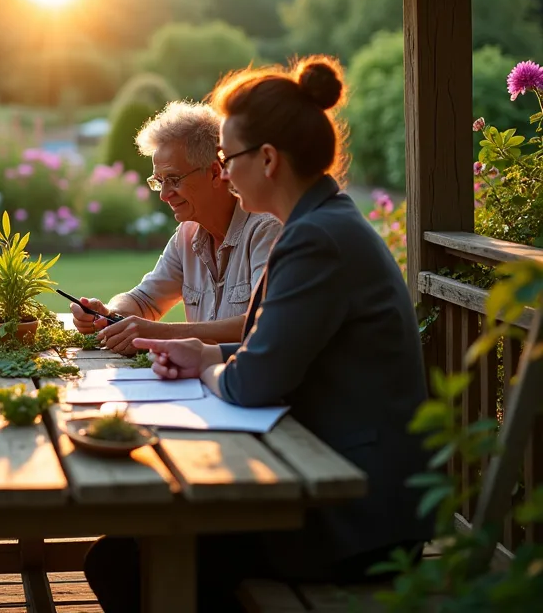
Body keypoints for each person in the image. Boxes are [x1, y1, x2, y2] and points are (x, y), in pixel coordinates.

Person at [82, 58, 434, 612]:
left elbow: (254, 381)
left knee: (123, 561)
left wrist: (207, 363)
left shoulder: (314, 238)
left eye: (227, 158)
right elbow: (274, 351)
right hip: (338, 485)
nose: (223, 171)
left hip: (355, 516)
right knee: (126, 552)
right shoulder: (323, 223)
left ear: (266, 160)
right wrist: (206, 351)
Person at [69, 100, 280, 355]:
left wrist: (160, 333)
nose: (164, 194)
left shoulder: (265, 230)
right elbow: (143, 300)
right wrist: (108, 314)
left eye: (173, 180)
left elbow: (263, 324)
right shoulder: (187, 235)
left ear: (215, 172)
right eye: (159, 181)